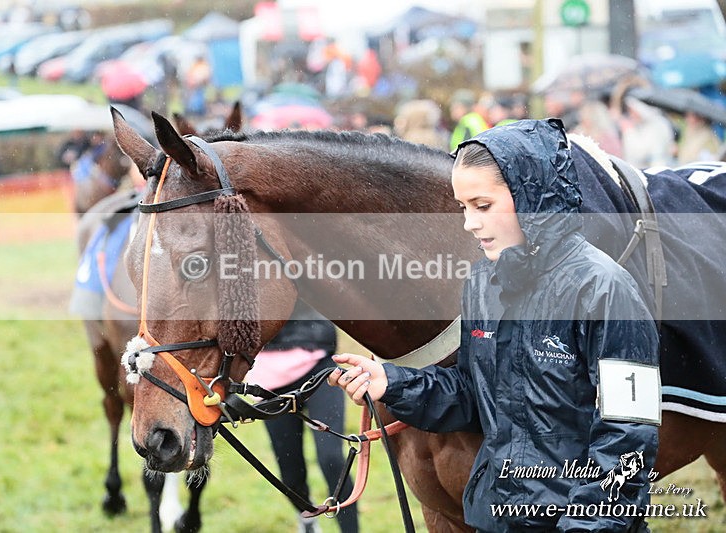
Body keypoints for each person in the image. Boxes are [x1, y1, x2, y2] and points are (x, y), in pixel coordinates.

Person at [329, 118, 660, 532]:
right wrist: (392, 383)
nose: (469, 223)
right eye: (463, 208)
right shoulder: (483, 282)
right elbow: (474, 395)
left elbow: (628, 437)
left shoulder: (604, 290)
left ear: (531, 198)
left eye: (482, 206)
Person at [246, 300, 359, 533]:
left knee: (332, 458)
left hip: (318, 365)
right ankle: (306, 520)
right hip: (270, 382)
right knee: (290, 472)